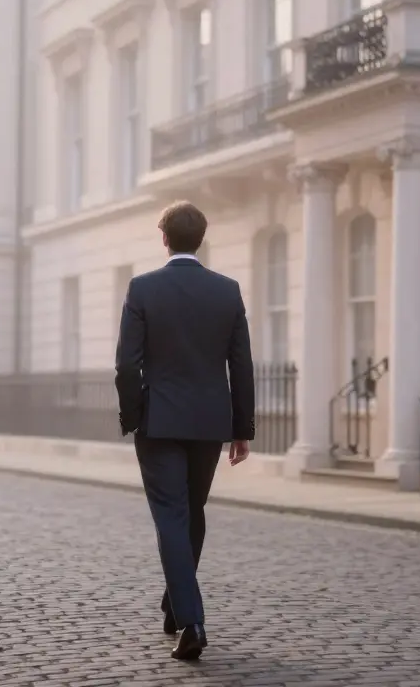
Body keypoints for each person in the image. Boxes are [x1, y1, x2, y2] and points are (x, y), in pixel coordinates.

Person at [114, 200, 256, 661]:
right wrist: (242, 428)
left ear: (164, 238)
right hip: (209, 422)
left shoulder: (143, 289)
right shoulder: (227, 291)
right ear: (201, 239)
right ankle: (176, 607)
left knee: (174, 516)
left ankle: (192, 621)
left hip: (159, 422)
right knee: (191, 511)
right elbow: (242, 364)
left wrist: (132, 415)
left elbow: (125, 364)